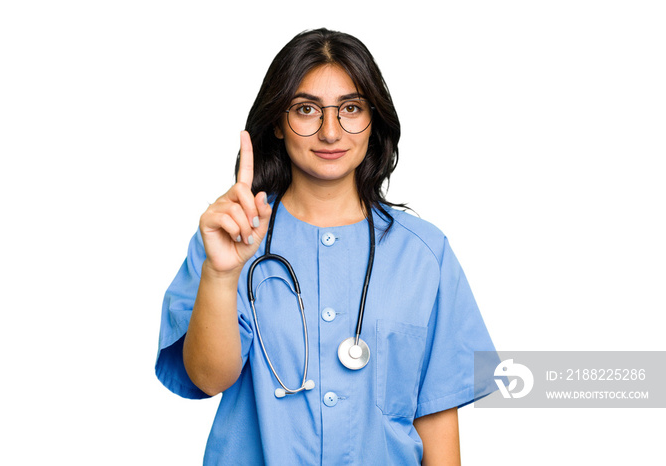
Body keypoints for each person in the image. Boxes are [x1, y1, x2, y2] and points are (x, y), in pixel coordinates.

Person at [155, 28, 499, 465]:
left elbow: (436, 417)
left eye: (350, 109)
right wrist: (222, 277)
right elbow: (206, 378)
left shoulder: (425, 254)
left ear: (373, 121)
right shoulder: (231, 236)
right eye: (306, 110)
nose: (330, 132)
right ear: (278, 123)